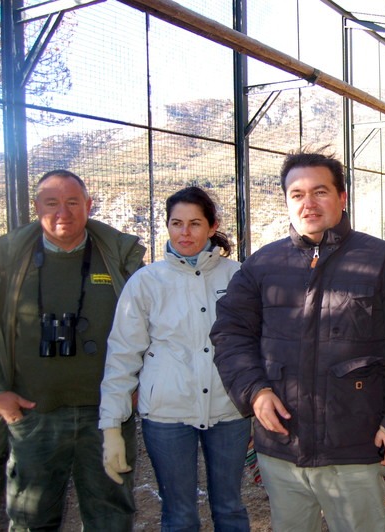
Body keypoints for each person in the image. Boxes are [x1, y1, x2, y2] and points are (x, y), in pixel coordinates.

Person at [210, 150, 385, 532]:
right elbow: (230, 333)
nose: (308, 203)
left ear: (342, 197)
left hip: (354, 443)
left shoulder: (382, 262)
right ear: (286, 201)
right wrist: (255, 391)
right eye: (297, 194)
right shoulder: (263, 266)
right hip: (283, 444)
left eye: (320, 191)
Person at [0, 169, 144, 530]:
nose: (63, 212)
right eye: (52, 203)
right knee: (30, 518)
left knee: (111, 516)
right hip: (32, 413)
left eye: (73, 202)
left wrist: (138, 384)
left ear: (88, 205)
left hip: (107, 415)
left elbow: (150, 328)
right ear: (36, 206)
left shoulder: (121, 259)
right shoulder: (5, 266)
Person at [99, 186, 251, 531]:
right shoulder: (146, 283)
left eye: (195, 224)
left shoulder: (239, 276)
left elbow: (255, 345)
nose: (185, 233)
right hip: (167, 415)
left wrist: (256, 403)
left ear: (212, 227)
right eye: (176, 223)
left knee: (229, 507)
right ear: (166, 226)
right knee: (179, 514)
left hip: (229, 411)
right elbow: (122, 356)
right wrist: (111, 426)